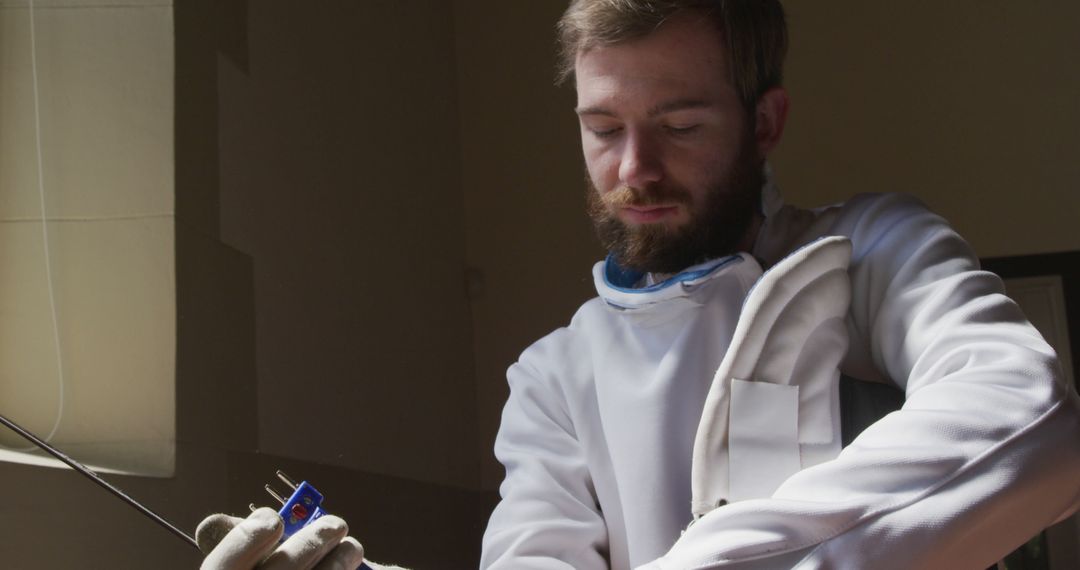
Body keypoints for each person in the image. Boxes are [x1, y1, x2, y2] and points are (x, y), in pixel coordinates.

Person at [198, 1, 1080, 568]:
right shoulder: (553, 376)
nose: (634, 168)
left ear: (764, 120)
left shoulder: (874, 248)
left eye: (680, 123)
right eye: (602, 127)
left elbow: (1025, 414)